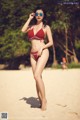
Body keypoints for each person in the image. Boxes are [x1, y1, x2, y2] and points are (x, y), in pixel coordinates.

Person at [21, 6, 53, 110]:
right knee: (36, 78)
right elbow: (23, 30)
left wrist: (42, 48)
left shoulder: (46, 27)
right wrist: (29, 18)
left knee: (37, 75)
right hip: (32, 54)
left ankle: (44, 100)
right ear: (35, 15)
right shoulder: (31, 26)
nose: (39, 16)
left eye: (41, 14)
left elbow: (51, 42)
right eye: (37, 14)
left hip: (43, 52)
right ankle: (40, 99)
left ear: (43, 16)